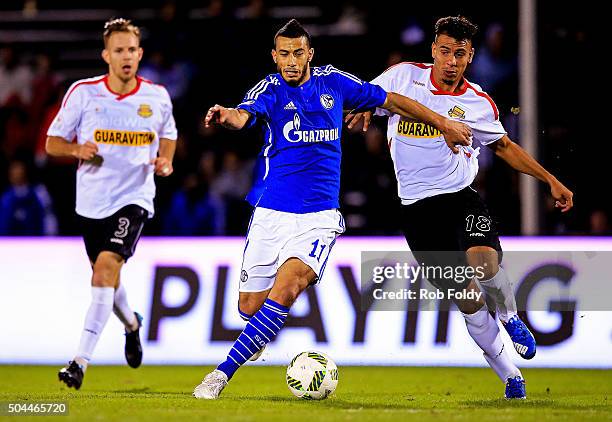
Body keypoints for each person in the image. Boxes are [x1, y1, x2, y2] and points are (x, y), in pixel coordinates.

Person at [193, 18, 472, 400]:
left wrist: (441, 122)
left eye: (298, 52)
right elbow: (243, 115)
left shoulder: (334, 82)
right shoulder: (270, 90)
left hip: (319, 216)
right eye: (284, 54)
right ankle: (257, 334)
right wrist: (227, 115)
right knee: (249, 308)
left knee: (289, 286)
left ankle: (220, 374)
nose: (292, 61)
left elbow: (391, 101)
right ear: (274, 57)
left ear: (310, 53)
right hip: (271, 213)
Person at [346, 15, 574, 399]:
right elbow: (370, 98)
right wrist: (366, 109)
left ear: (470, 57)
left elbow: (503, 147)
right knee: (468, 298)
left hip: (458, 196)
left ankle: (511, 317)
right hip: (416, 209)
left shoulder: (478, 102)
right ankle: (511, 377)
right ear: (434, 50)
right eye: (446, 51)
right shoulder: (402, 77)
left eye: (461, 54)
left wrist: (550, 179)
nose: (451, 61)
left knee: (484, 261)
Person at [45, 18, 177, 390]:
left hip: (134, 198)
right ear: (106, 55)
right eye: (118, 50)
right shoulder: (84, 93)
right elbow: (51, 142)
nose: (126, 57)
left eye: (131, 50)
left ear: (140, 54)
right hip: (90, 203)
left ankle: (79, 362)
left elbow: (168, 136)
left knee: (104, 270)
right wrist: (74, 149)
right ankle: (132, 325)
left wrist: (165, 161)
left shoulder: (157, 96)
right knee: (107, 278)